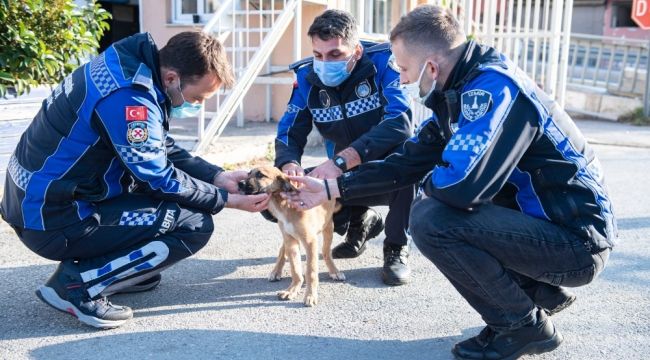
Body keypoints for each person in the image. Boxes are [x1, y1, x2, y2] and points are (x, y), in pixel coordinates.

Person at [281, 5, 615, 359]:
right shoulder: (458, 91)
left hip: (576, 244)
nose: (403, 79)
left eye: (404, 68)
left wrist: (425, 184)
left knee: (432, 218)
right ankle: (535, 293)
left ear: (431, 67)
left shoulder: (491, 91)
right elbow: (409, 158)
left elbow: (462, 187)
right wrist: (333, 188)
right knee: (438, 206)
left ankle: (521, 326)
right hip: (551, 231)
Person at [0, 31, 270, 329]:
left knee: (169, 205)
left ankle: (119, 271)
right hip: (52, 218)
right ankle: (77, 287)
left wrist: (217, 176)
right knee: (193, 224)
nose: (195, 105)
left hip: (37, 201)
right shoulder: (130, 99)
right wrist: (226, 200)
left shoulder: (127, 66)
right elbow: (158, 177)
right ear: (171, 78)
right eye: (196, 98)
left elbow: (158, 146)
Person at [269, 9, 416, 285]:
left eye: (335, 54)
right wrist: (289, 165)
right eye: (318, 55)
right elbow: (289, 132)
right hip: (342, 175)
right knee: (276, 198)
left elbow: (400, 122)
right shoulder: (306, 79)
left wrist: (341, 161)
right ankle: (361, 220)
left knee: (404, 172)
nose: (324, 62)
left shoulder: (383, 65)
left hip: (385, 172)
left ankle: (395, 247)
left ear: (356, 51)